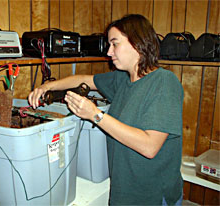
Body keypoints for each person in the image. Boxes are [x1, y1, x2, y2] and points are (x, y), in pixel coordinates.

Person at [28, 14, 184, 206]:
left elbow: (149, 147)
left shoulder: (164, 82)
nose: (109, 52)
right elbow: (85, 80)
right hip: (123, 191)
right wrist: (47, 87)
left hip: (153, 196)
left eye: (114, 44)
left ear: (137, 42)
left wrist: (95, 115)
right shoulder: (122, 79)